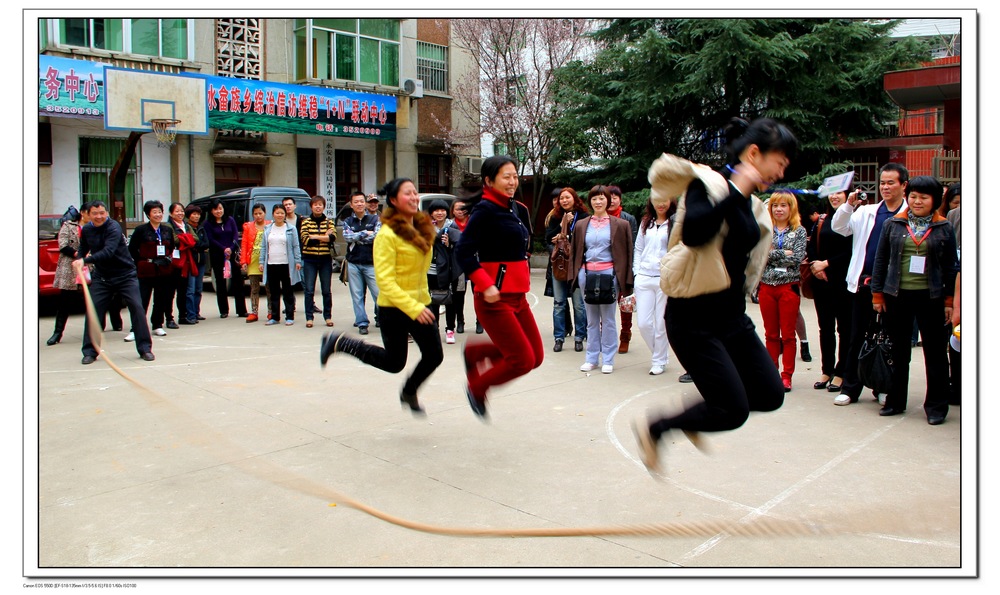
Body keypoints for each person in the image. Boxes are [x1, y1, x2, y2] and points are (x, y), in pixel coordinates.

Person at [635, 117, 797, 473]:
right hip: (693, 319)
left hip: (731, 318)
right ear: (755, 153)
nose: (781, 173)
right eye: (779, 163)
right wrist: (737, 189)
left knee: (770, 395)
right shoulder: (707, 185)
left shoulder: (753, 204)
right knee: (732, 411)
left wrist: (743, 194)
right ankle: (657, 428)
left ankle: (701, 414)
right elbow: (694, 234)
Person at [320, 178, 443, 416]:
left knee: (434, 356)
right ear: (395, 201)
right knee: (394, 363)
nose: (414, 197)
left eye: (415, 192)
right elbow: (385, 281)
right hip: (395, 308)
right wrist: (413, 308)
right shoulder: (387, 235)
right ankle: (340, 343)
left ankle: (409, 391)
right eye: (408, 193)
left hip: (420, 303)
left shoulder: (422, 228)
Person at [456, 155, 544, 419]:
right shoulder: (485, 210)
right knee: (522, 361)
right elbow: (464, 252)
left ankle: (475, 351)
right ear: (489, 180)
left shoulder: (514, 208)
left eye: (515, 176)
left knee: (536, 357)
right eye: (506, 177)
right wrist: (486, 283)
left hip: (518, 296)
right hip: (494, 300)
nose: (513, 181)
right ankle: (476, 386)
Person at [870, 176, 956, 424]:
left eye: (924, 197)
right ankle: (895, 401)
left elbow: (951, 267)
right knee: (898, 351)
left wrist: (949, 301)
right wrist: (877, 294)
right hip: (897, 295)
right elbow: (880, 260)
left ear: (935, 200)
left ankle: (936, 407)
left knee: (936, 353)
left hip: (933, 297)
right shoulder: (893, 224)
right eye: (914, 196)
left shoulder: (944, 227)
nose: (917, 201)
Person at [830, 163, 908, 406]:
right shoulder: (867, 212)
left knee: (890, 339)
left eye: (891, 182)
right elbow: (839, 228)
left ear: (903, 185)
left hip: (894, 289)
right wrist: (849, 204)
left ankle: (882, 387)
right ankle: (851, 387)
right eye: (882, 183)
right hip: (863, 285)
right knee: (856, 338)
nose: (885, 187)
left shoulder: (909, 215)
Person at [73, 201, 155, 364]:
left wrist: (85, 260)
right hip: (102, 277)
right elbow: (83, 248)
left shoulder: (113, 227)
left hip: (125, 275)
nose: (99, 216)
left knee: (137, 308)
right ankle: (89, 351)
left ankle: (145, 348)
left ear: (107, 213)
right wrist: (78, 259)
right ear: (88, 214)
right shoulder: (88, 229)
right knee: (93, 312)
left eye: (102, 212)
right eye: (95, 213)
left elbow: (108, 252)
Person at [570, 185, 634, 374]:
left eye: (602, 198)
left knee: (608, 319)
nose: (598, 202)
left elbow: (628, 253)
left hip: (609, 275)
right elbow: (575, 252)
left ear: (608, 200)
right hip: (586, 274)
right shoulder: (582, 224)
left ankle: (608, 358)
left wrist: (627, 280)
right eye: (594, 199)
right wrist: (574, 276)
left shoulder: (621, 224)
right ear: (590, 201)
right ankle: (591, 358)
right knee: (590, 318)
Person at [757, 191, 807, 392]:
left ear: (791, 208)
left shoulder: (799, 231)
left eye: (783, 205)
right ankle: (771, 374)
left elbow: (797, 259)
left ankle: (787, 376)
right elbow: (758, 255)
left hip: (788, 287)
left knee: (787, 335)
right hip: (767, 287)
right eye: (775, 205)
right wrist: (781, 254)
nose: (779, 209)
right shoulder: (764, 229)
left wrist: (771, 254)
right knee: (770, 334)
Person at [806, 189, 854, 392]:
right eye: (831, 193)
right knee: (825, 327)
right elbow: (812, 247)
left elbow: (853, 250)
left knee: (844, 328)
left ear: (848, 196)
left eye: (839, 193)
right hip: (821, 281)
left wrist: (827, 264)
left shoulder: (854, 219)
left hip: (843, 281)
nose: (834, 197)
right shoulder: (822, 220)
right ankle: (827, 370)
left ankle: (841, 372)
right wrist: (816, 267)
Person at [544, 187, 589, 353]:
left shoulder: (584, 217)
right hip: (559, 264)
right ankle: (559, 337)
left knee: (578, 304)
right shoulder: (555, 217)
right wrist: (563, 224)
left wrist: (566, 235)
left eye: (567, 198)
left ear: (574, 199)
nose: (564, 201)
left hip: (577, 264)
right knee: (559, 303)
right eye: (561, 198)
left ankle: (579, 337)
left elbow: (585, 239)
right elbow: (548, 238)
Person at [632, 196, 673, 375]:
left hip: (664, 278)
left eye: (664, 200)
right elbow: (638, 249)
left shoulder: (674, 224)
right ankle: (660, 354)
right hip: (644, 277)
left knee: (660, 323)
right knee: (644, 323)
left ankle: (658, 360)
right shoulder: (646, 223)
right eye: (657, 200)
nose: (661, 203)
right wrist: (636, 272)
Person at [128, 200, 177, 338]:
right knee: (142, 299)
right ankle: (136, 328)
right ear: (148, 214)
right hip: (146, 269)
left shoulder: (167, 229)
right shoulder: (141, 230)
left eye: (160, 212)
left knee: (161, 298)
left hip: (163, 269)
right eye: (154, 212)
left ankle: (157, 324)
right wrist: (141, 261)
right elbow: (132, 249)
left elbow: (171, 246)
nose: (158, 215)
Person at [48, 204, 87, 346]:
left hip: (90, 267)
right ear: (83, 213)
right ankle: (57, 332)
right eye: (91, 213)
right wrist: (80, 256)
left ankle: (93, 333)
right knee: (65, 302)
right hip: (71, 266)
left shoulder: (95, 228)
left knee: (92, 301)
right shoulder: (69, 226)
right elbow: (63, 246)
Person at [342, 190, 381, 333]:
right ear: (351, 205)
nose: (359, 204)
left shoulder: (375, 220)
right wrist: (365, 233)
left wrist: (357, 237)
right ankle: (362, 323)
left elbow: (377, 236)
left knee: (378, 294)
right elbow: (347, 237)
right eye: (356, 202)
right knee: (357, 295)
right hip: (353, 263)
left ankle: (382, 318)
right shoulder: (347, 221)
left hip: (371, 263)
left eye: (361, 201)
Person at [204, 198, 248, 319]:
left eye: (220, 208)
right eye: (215, 209)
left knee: (238, 282)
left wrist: (231, 248)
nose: (218, 211)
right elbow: (211, 239)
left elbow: (235, 235)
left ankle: (241, 310)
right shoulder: (208, 224)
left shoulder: (230, 220)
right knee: (221, 282)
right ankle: (223, 310)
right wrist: (223, 248)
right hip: (218, 255)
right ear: (211, 211)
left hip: (232, 255)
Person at [607, 185, 638, 353]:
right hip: (605, 268)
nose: (611, 200)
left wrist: (631, 268)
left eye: (615, 197)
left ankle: (625, 335)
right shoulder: (598, 218)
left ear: (620, 199)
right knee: (604, 304)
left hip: (624, 268)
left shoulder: (628, 218)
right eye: (608, 196)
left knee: (625, 304)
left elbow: (632, 245)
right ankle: (607, 337)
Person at [427, 199, 462, 344]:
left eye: (442, 210)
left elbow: (460, 247)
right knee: (432, 300)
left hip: (448, 269)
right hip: (430, 269)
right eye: (436, 210)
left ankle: (450, 330)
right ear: (431, 213)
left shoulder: (452, 226)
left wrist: (449, 245)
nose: (439, 213)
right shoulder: (426, 227)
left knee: (450, 300)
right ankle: (434, 330)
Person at [261, 203, 302, 326]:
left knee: (287, 291)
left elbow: (296, 245)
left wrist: (298, 260)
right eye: (277, 213)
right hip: (271, 264)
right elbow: (264, 247)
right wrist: (261, 262)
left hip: (286, 264)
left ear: (285, 215)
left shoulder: (291, 229)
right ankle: (274, 317)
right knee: (273, 292)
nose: (279, 215)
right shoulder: (267, 229)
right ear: (273, 214)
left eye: (282, 213)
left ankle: (289, 316)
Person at [299, 195, 337, 328]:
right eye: (315, 204)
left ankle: (328, 316)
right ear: (311, 206)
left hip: (325, 260)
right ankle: (309, 317)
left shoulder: (329, 221)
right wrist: (323, 236)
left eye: (320, 204)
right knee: (309, 290)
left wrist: (315, 236)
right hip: (310, 260)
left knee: (326, 290)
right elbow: (306, 240)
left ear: (324, 206)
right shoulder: (306, 222)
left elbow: (332, 238)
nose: (318, 207)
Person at [166, 202, 198, 326]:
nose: (180, 213)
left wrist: (184, 238)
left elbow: (195, 239)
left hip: (186, 261)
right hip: (173, 262)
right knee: (170, 292)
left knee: (183, 290)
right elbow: (174, 240)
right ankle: (169, 317)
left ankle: (183, 316)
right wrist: (186, 238)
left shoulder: (186, 225)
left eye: (182, 211)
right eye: (177, 211)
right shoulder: (168, 226)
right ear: (171, 213)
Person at [239, 203, 270, 323]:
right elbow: (245, 244)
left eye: (260, 213)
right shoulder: (248, 227)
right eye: (256, 214)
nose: (258, 216)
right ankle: (254, 312)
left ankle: (270, 311)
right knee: (254, 288)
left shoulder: (270, 225)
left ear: (264, 213)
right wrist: (243, 261)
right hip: (252, 261)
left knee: (269, 288)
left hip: (267, 261)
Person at [445, 199, 471, 335]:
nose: (461, 211)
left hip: (475, 261)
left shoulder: (475, 222)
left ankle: (480, 322)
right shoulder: (450, 225)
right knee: (459, 294)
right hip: (458, 264)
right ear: (452, 211)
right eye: (457, 209)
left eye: (463, 208)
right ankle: (460, 321)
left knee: (479, 293)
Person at [184, 204, 209, 324]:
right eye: (194, 214)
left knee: (199, 289)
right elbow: (190, 244)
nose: (196, 216)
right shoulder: (186, 227)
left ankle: (196, 312)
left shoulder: (201, 228)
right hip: (190, 261)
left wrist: (197, 246)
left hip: (201, 261)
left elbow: (206, 243)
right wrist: (197, 246)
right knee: (190, 289)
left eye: (198, 214)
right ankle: (190, 314)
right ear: (189, 215)